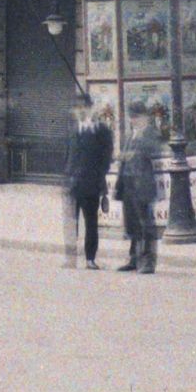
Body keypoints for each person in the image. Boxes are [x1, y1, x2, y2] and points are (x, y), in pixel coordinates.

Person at [61, 93, 115, 269]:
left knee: (91, 223)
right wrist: (66, 178)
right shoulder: (73, 130)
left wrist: (98, 179)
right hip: (72, 184)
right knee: (71, 223)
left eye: (83, 108)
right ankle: (70, 258)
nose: (80, 112)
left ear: (91, 109)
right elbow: (68, 156)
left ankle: (90, 258)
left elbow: (106, 159)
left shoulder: (102, 131)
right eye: (77, 108)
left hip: (91, 184)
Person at [115, 101, 167, 274]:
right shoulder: (131, 135)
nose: (133, 120)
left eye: (137, 116)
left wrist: (132, 153)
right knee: (132, 223)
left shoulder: (151, 133)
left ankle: (148, 262)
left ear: (146, 117)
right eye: (131, 117)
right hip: (129, 185)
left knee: (146, 225)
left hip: (143, 185)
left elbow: (154, 151)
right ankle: (133, 258)